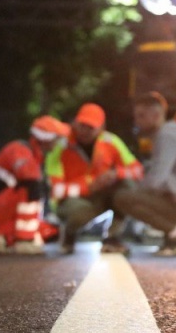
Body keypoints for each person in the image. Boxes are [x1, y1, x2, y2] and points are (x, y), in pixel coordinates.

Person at [113, 92, 176, 256]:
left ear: (156, 115)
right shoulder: (169, 134)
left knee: (123, 197)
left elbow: (155, 180)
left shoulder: (166, 137)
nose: (137, 122)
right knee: (136, 195)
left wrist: (134, 188)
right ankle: (172, 237)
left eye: (141, 116)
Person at [47, 103, 143, 254]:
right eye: (82, 125)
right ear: (75, 123)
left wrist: (115, 173)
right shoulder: (61, 146)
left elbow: (138, 171)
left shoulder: (111, 142)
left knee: (128, 188)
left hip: (102, 196)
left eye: (90, 127)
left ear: (101, 128)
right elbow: (55, 189)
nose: (85, 131)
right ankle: (69, 232)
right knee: (81, 212)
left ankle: (113, 236)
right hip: (72, 200)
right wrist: (88, 186)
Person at [0, 115, 71, 255]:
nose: (58, 143)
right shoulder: (19, 149)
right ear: (46, 139)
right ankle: (23, 240)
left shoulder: (36, 157)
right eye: (57, 138)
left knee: (52, 231)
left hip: (4, 208)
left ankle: (7, 238)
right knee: (30, 186)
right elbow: (30, 181)